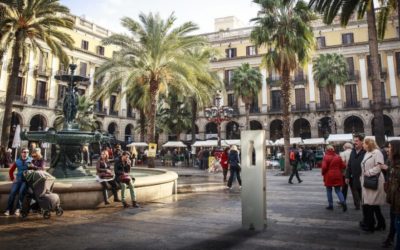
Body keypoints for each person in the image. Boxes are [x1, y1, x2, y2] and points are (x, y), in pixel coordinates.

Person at [360, 138, 387, 232]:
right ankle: (381, 223)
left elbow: (379, 166)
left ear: (368, 144)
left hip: (374, 180)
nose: (363, 145)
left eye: (364, 143)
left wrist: (369, 172)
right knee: (373, 204)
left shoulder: (377, 152)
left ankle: (370, 225)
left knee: (370, 204)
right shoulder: (367, 153)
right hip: (367, 180)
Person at [4, 148, 31, 216]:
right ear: (21, 153)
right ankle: (8, 209)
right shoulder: (17, 161)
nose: (25, 154)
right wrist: (13, 178)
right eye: (24, 152)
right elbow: (11, 171)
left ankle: (18, 209)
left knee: (21, 192)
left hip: (25, 180)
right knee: (12, 192)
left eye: (27, 152)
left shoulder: (31, 160)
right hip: (18, 180)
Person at [383, 140, 400, 248]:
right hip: (394, 201)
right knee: (394, 222)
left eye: (390, 147)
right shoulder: (393, 164)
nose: (387, 150)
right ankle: (390, 238)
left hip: (398, 203)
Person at [322, 145, 347, 211]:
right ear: (333, 149)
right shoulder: (338, 156)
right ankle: (343, 202)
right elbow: (344, 166)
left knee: (329, 190)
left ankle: (330, 205)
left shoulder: (326, 157)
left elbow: (324, 167)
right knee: (338, 190)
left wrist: (323, 173)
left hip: (329, 175)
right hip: (337, 174)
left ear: (326, 150)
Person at [345, 134, 366, 211]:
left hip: (364, 179)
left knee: (365, 200)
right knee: (357, 196)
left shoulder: (365, 151)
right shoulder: (353, 151)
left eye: (356, 141)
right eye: (354, 141)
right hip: (354, 179)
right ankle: (365, 217)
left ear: (361, 142)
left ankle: (368, 219)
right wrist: (347, 176)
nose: (354, 142)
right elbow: (349, 164)